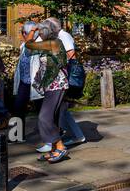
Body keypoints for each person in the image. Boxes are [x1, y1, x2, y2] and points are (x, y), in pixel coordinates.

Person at [29, 19, 71, 164]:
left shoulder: (54, 43)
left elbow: (29, 45)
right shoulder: (51, 43)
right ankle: (54, 149)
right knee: (51, 117)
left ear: (47, 31)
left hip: (56, 85)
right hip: (50, 85)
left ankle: (60, 146)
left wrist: (32, 31)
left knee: (44, 117)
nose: (39, 33)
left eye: (41, 31)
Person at [45, 17, 87, 146]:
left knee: (58, 109)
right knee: (62, 109)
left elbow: (71, 55)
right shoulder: (57, 37)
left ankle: (55, 139)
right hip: (61, 76)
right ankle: (77, 136)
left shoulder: (64, 36)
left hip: (65, 76)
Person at [11, 21, 44, 121]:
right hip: (24, 82)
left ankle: (53, 133)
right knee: (18, 108)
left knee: (42, 112)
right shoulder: (23, 45)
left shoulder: (39, 44)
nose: (22, 35)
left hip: (37, 83)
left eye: (23, 33)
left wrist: (33, 30)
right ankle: (18, 136)